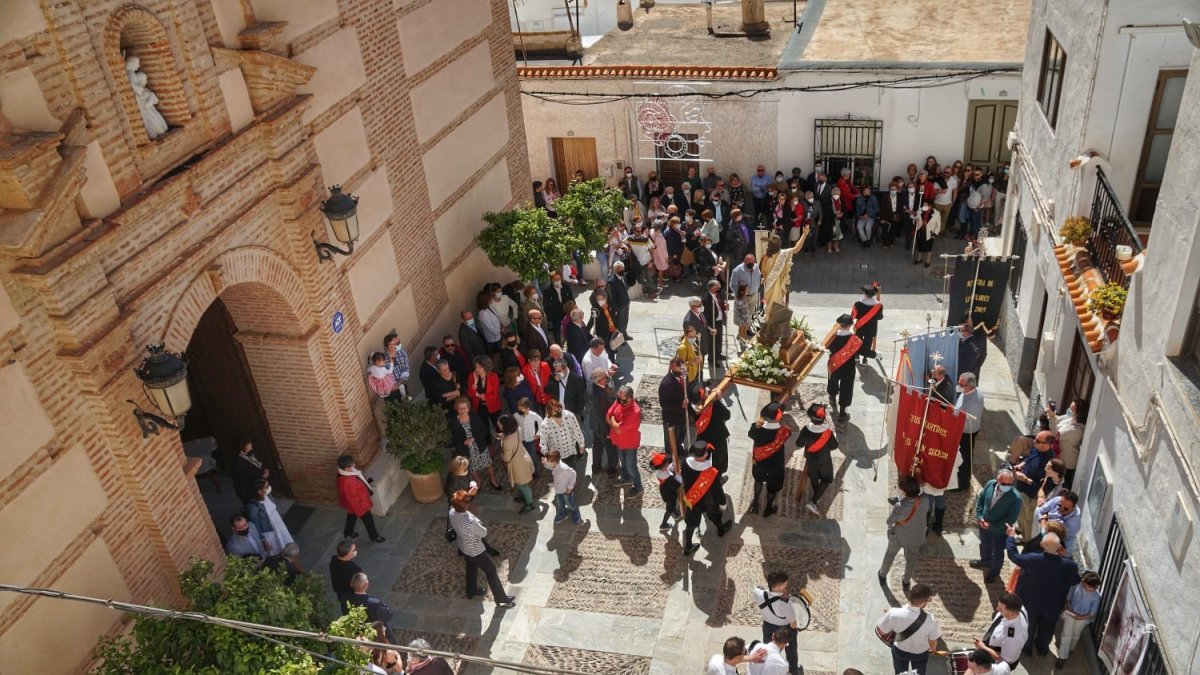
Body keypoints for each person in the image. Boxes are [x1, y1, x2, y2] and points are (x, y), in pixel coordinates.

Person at [1005, 526, 1081, 658]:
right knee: (1047, 628)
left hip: (1030, 601)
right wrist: (1065, 558)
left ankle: (1027, 649)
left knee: (1028, 626)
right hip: (1052, 604)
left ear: (1041, 544)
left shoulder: (1032, 559)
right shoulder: (1069, 566)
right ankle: (1042, 648)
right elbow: (1075, 580)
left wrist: (1011, 537)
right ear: (1059, 547)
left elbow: (1013, 555)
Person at [448, 490, 515, 607]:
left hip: (464, 547)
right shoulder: (470, 523)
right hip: (475, 550)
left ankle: (471, 591)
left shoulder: (452, 512)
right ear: (466, 505)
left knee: (471, 567)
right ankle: (502, 600)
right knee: (491, 571)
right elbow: (483, 533)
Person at [875, 583, 941, 675]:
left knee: (900, 673)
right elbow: (933, 641)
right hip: (920, 653)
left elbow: (882, 630)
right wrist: (933, 648)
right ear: (923, 603)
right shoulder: (930, 620)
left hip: (900, 650)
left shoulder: (893, 613)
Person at [878, 475, 930, 591]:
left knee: (890, 555)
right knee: (911, 561)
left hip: (899, 537)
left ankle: (882, 574)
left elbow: (889, 521)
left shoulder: (899, 506)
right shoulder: (925, 500)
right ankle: (906, 581)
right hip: (916, 537)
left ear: (904, 492)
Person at [682, 440, 732, 556]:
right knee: (714, 514)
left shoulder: (685, 463)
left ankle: (688, 546)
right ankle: (721, 529)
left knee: (690, 523)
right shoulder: (711, 471)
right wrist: (722, 503)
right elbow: (717, 490)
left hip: (692, 499)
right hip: (707, 500)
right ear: (705, 455)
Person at [970, 469, 1021, 584]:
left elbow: (1010, 519)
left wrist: (991, 526)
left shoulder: (1015, 498)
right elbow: (981, 500)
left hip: (1000, 532)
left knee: (997, 553)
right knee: (984, 545)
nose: (1007, 486)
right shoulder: (990, 484)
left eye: (1009, 484)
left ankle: (994, 572)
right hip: (984, 526)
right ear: (998, 480)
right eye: (1004, 484)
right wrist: (980, 517)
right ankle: (985, 561)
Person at [747, 402, 792, 518]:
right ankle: (768, 509)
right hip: (775, 467)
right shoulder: (784, 431)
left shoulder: (755, 429)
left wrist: (759, 423)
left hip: (759, 464)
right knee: (772, 490)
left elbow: (750, 433)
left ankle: (755, 503)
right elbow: (788, 433)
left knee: (758, 481)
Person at [752, 571, 800, 674]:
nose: (787, 584)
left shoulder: (758, 593)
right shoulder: (786, 604)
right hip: (784, 630)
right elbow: (793, 624)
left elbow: (757, 587)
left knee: (768, 650)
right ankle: (793, 671)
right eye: (785, 583)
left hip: (768, 627)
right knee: (791, 652)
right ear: (778, 587)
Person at [795, 402, 837, 517]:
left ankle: (815, 498)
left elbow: (798, 443)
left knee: (814, 478)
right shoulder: (827, 432)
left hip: (811, 461)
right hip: (824, 461)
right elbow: (834, 446)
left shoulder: (806, 430)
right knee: (827, 480)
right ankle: (813, 500)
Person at [449, 397, 498, 490]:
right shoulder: (454, 422)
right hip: (466, 450)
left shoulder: (474, 415)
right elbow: (453, 438)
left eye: (464, 408)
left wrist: (474, 438)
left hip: (480, 445)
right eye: (460, 408)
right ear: (456, 408)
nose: (462, 410)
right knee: (473, 469)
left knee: (488, 464)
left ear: (468, 408)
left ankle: (493, 479)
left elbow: (483, 429)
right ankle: (478, 482)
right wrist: (463, 442)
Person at [1014, 430, 1056, 535]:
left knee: (1029, 520)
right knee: (1020, 511)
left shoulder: (1049, 464)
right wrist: (1022, 464)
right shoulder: (1037, 449)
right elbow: (1029, 458)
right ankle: (1020, 528)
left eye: (1037, 440)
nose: (1034, 441)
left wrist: (1024, 479)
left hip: (1031, 496)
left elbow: (1041, 487)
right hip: (1021, 488)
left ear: (1047, 445)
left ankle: (1026, 538)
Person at [1057, 571, 1102, 669]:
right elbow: (1070, 593)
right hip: (1071, 613)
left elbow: (1092, 613)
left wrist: (1081, 617)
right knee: (1066, 634)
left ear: (1095, 587)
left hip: (1082, 618)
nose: (1087, 588)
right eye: (1085, 585)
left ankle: (1070, 648)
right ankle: (1062, 656)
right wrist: (1069, 604)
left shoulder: (1096, 596)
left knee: (1075, 634)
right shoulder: (1078, 584)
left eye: (1089, 587)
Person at [337, 454, 385, 543]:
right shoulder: (347, 482)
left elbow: (358, 479)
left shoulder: (346, 473)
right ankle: (374, 536)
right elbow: (352, 499)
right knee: (368, 520)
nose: (354, 465)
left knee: (352, 515)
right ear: (347, 468)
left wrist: (366, 482)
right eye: (352, 465)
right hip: (359, 504)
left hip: (356, 503)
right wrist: (360, 511)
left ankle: (348, 531)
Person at [975, 592, 1029, 670]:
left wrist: (983, 647)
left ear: (1012, 614)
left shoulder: (1013, 638)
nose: (997, 609)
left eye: (1001, 609)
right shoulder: (1019, 608)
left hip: (997, 663)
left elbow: (1005, 661)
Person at [607, 384, 643, 496]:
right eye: (618, 398)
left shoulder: (635, 411)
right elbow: (608, 415)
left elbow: (617, 428)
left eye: (622, 399)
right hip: (619, 441)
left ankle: (638, 486)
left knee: (631, 466)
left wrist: (613, 419)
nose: (619, 401)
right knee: (623, 462)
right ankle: (625, 478)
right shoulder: (619, 400)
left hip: (629, 443)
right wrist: (614, 421)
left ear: (630, 398)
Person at [826, 314, 862, 422]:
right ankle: (842, 412)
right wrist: (874, 354)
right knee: (846, 387)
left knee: (832, 380)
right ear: (851, 325)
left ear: (839, 324)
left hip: (834, 364)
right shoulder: (855, 339)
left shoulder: (832, 337)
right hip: (848, 367)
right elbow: (863, 351)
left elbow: (826, 347)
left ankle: (832, 396)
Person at [245, 478, 292, 555]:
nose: (269, 488)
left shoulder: (267, 496)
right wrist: (263, 540)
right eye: (266, 487)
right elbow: (256, 525)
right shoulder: (253, 508)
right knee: (276, 548)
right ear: (259, 491)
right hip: (270, 531)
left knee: (285, 541)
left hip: (278, 523)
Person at [540, 398, 586, 476]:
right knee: (560, 474)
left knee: (572, 471)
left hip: (570, 450)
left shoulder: (569, 415)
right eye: (555, 411)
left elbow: (577, 430)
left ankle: (571, 485)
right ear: (550, 413)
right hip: (557, 455)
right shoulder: (545, 424)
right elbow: (543, 441)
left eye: (559, 409)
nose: (558, 412)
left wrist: (581, 444)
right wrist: (546, 456)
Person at [1048, 398, 1088, 488]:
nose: (1069, 411)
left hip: (1067, 463)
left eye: (1072, 409)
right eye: (1070, 407)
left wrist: (1051, 417)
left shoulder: (1076, 429)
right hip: (1060, 456)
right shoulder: (1070, 418)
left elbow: (1055, 435)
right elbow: (1058, 420)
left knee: (1060, 485)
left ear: (1078, 413)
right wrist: (1051, 413)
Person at [955, 372, 984, 490]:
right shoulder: (967, 391)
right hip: (963, 430)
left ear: (970, 385)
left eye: (962, 384)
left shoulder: (974, 402)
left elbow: (966, 420)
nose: (959, 386)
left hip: (967, 432)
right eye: (959, 383)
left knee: (965, 457)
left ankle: (963, 483)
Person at [347, 573, 395, 641]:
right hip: (376, 636)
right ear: (366, 585)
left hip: (358, 635)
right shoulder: (374, 603)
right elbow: (388, 615)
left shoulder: (346, 601)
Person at [659, 357, 692, 457]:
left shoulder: (684, 376)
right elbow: (664, 404)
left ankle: (679, 449)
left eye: (682, 367)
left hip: (682, 415)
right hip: (672, 417)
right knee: (671, 440)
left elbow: (687, 390)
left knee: (681, 435)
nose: (682, 370)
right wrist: (680, 405)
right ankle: (671, 457)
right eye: (679, 368)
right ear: (672, 367)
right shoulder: (666, 384)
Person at [589, 367, 618, 478]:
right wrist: (608, 429)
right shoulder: (599, 394)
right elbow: (601, 414)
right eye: (606, 377)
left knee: (597, 445)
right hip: (603, 426)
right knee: (610, 447)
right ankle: (612, 470)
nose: (607, 378)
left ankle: (596, 467)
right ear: (599, 380)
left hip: (595, 424)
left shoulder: (595, 388)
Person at [544, 449, 583, 525]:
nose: (547, 462)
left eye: (548, 461)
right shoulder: (554, 465)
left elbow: (573, 474)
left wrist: (570, 487)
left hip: (566, 490)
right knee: (559, 503)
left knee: (570, 503)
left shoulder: (564, 468)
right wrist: (545, 464)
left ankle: (575, 512)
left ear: (554, 462)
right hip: (558, 490)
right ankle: (562, 513)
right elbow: (550, 467)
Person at [850, 283, 883, 363]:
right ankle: (865, 358)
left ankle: (856, 356)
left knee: (858, 341)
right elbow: (880, 317)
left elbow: (853, 316)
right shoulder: (878, 305)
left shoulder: (858, 304)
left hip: (860, 326)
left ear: (864, 293)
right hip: (872, 327)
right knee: (868, 343)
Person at [650, 452, 682, 531]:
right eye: (667, 463)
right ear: (664, 466)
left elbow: (668, 469)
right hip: (669, 494)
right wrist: (678, 475)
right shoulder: (668, 478)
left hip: (665, 491)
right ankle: (664, 524)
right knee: (669, 508)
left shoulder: (660, 471)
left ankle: (675, 512)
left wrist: (672, 465)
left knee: (672, 504)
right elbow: (677, 484)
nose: (668, 463)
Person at [233, 439, 270, 505]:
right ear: (242, 450)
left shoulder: (251, 453)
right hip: (251, 489)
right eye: (249, 448)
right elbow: (250, 476)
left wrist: (265, 469)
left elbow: (260, 463)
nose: (251, 449)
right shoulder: (240, 464)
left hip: (260, 484)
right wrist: (262, 476)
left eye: (251, 447)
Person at [702, 279, 729, 368]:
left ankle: (718, 354)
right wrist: (709, 327)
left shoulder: (719, 294)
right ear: (712, 288)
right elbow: (705, 314)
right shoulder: (706, 299)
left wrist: (724, 306)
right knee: (712, 342)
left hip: (719, 320)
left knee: (719, 339)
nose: (719, 288)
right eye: (717, 287)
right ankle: (712, 359)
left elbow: (721, 304)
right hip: (712, 322)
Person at [515, 397, 543, 476]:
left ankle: (535, 472)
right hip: (522, 440)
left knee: (533, 456)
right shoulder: (516, 415)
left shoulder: (533, 415)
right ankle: (528, 470)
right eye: (519, 408)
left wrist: (538, 434)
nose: (520, 410)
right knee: (525, 457)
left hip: (531, 440)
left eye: (521, 409)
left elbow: (542, 423)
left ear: (527, 409)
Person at [607, 261, 632, 339]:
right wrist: (615, 309)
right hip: (619, 306)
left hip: (625, 303)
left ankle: (624, 334)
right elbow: (612, 298)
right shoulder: (612, 282)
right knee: (619, 323)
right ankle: (619, 339)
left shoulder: (623, 276)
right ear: (616, 270)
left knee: (625, 320)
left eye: (623, 269)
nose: (622, 271)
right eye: (620, 269)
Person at [382, 331, 411, 399]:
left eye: (399, 342)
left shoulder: (402, 353)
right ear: (387, 346)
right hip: (391, 392)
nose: (399, 345)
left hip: (402, 385)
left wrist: (398, 384)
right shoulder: (383, 360)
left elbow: (406, 370)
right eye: (396, 344)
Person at [912, 203, 941, 268]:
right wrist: (915, 221)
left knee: (929, 247)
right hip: (920, 230)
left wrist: (935, 234)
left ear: (930, 206)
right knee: (919, 245)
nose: (924, 206)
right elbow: (915, 219)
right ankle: (919, 259)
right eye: (924, 205)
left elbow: (938, 226)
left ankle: (928, 261)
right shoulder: (920, 210)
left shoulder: (936, 213)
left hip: (929, 233)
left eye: (926, 205)